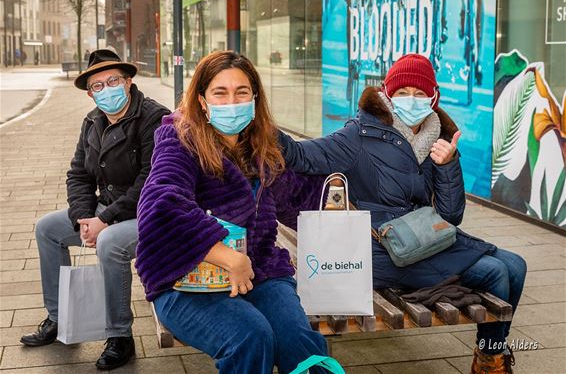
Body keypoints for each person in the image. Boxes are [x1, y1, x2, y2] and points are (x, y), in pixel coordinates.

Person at [278, 54, 527, 374]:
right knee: (495, 272)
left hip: (423, 238)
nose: (411, 100)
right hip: (379, 247)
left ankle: (489, 355)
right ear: (387, 94)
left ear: (433, 97)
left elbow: (451, 216)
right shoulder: (358, 134)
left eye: (420, 93)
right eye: (402, 92)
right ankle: (491, 362)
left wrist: (448, 165)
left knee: (516, 266)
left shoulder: (439, 138)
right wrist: (260, 130)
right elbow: (302, 156)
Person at [135, 51, 329, 374]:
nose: (231, 102)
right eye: (220, 93)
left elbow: (297, 196)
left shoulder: (261, 144)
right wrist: (228, 257)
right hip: (185, 278)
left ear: (254, 99)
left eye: (241, 92)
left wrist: (349, 205)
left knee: (299, 341)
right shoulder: (179, 138)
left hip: (258, 271)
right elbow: (161, 203)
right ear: (202, 100)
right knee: (251, 336)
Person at [20, 49, 171, 370]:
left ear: (128, 82)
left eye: (112, 80)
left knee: (110, 242)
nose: (106, 89)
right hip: (108, 209)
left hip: (154, 213)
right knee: (48, 229)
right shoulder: (92, 121)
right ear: (90, 93)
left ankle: (120, 336)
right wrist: (83, 217)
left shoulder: (154, 118)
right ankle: (59, 318)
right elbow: (78, 173)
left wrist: (103, 219)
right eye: (97, 86)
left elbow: (151, 180)